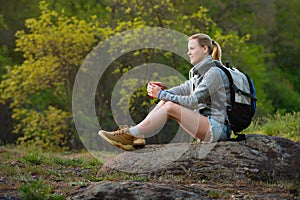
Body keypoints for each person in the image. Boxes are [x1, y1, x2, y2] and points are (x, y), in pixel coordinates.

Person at [98, 33, 231, 151]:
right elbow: (181, 89)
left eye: (192, 49)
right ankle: (137, 135)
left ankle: (132, 133)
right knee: (166, 101)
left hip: (218, 128)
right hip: (206, 125)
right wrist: (162, 92)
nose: (188, 53)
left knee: (169, 106)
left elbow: (192, 101)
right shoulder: (199, 74)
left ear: (205, 49)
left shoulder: (214, 72)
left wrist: (161, 94)